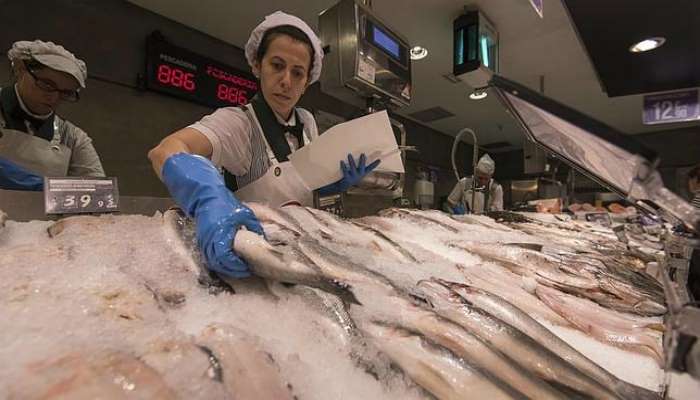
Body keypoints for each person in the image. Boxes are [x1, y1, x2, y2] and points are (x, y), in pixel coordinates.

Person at [148, 11, 380, 279]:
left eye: (297, 73)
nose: (286, 81)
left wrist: (331, 184)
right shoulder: (238, 123)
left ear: (307, 82)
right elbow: (165, 150)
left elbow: (302, 188)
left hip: (300, 254)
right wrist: (207, 197)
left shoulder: (307, 122)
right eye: (277, 65)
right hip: (246, 257)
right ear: (258, 66)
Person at [0, 40, 104, 191]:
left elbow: (98, 191)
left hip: (36, 215)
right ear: (20, 69)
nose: (54, 98)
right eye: (47, 85)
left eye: (65, 93)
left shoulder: (72, 137)